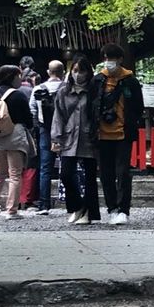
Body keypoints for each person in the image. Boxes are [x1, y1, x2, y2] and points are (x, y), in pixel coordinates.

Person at [92, 42, 144, 225]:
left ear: (120, 59)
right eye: (106, 58)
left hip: (123, 133)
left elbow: (138, 107)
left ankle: (123, 209)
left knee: (123, 172)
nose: (109, 62)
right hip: (102, 134)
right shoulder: (98, 80)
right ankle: (111, 208)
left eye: (112, 58)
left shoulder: (130, 80)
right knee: (105, 174)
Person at [50, 53, 101, 225]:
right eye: (75, 70)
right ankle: (77, 206)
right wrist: (56, 137)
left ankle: (88, 212)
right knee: (65, 174)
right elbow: (58, 115)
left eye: (82, 71)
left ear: (88, 72)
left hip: (89, 137)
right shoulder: (63, 92)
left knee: (89, 178)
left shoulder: (94, 92)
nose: (78, 74)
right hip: (69, 136)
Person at [0, 64, 34, 220]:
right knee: (15, 175)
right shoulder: (18, 96)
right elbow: (28, 120)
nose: (20, 79)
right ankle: (11, 210)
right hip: (15, 137)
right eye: (18, 76)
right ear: (12, 77)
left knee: (0, 174)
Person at [30, 59, 65, 215]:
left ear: (48, 72)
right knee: (68, 165)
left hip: (45, 129)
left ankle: (44, 205)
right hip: (65, 130)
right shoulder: (67, 88)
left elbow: (32, 111)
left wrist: (38, 125)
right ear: (63, 72)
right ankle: (70, 201)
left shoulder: (38, 89)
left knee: (45, 168)